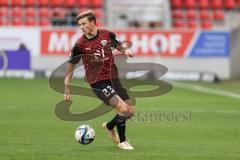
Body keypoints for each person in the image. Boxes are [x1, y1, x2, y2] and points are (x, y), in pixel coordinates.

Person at [64, 10, 134, 150]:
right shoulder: (80, 44)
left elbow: (117, 44)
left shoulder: (107, 34)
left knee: (129, 112)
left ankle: (109, 127)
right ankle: (122, 141)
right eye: (80, 25)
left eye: (84, 23)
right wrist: (67, 87)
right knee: (122, 108)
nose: (82, 27)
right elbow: (70, 66)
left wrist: (124, 51)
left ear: (92, 22)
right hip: (97, 82)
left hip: (113, 77)